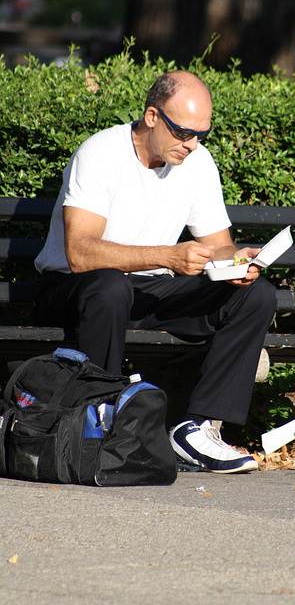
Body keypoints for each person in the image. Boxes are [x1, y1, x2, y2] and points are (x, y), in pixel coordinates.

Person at [33, 70, 277, 473]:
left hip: (148, 289)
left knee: (256, 295)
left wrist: (237, 261)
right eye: (183, 132)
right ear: (151, 116)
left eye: (202, 134)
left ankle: (195, 430)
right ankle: (99, 419)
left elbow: (219, 243)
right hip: (74, 289)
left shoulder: (197, 163)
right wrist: (168, 256)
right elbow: (80, 253)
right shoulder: (100, 154)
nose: (193, 144)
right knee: (110, 286)